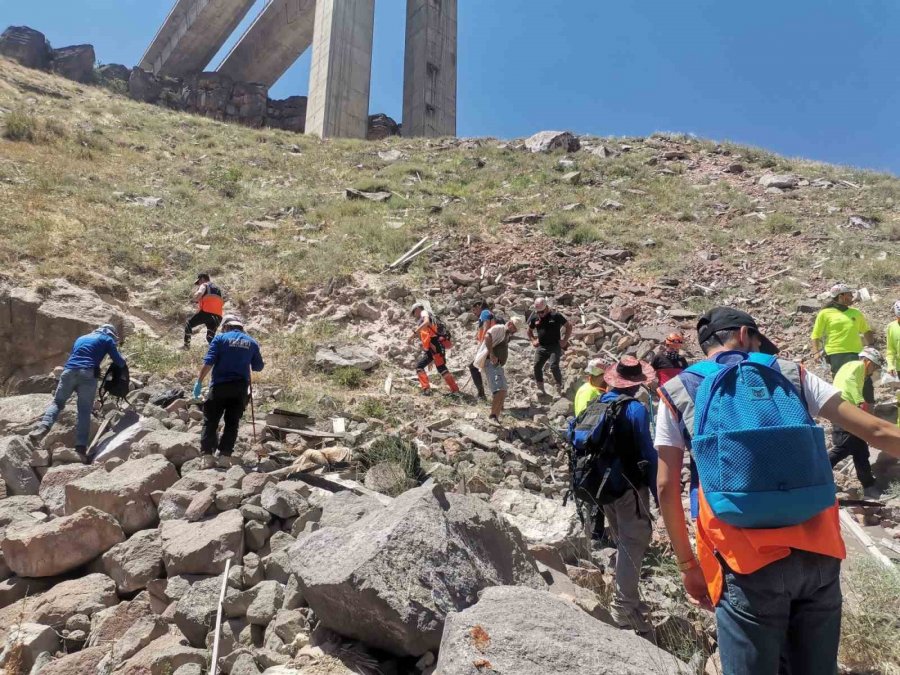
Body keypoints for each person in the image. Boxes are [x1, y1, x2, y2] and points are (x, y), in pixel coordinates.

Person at [655, 306, 900, 674]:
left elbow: (665, 486)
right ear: (742, 335)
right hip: (819, 552)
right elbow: (877, 432)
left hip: (744, 562)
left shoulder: (678, 390)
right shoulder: (791, 373)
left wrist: (688, 565)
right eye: (756, 341)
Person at [598, 356, 659, 634]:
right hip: (628, 485)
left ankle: (628, 602)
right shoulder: (635, 409)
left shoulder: (597, 403)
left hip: (602, 486)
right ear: (635, 384)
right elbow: (647, 451)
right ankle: (623, 609)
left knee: (622, 538)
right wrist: (657, 489)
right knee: (633, 541)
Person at [29, 324, 126, 459]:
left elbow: (79, 355)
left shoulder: (81, 338)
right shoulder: (107, 339)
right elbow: (119, 362)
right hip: (87, 374)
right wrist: (122, 359)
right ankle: (80, 447)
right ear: (111, 333)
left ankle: (44, 426)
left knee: (57, 403)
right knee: (84, 410)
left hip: (68, 372)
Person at [194, 315, 264, 457]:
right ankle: (225, 456)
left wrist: (199, 382)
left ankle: (207, 456)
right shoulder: (252, 342)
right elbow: (258, 367)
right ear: (241, 327)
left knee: (211, 421)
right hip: (240, 389)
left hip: (219, 386)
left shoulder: (220, 339)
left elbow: (209, 362)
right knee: (232, 422)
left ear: (226, 326)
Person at [830, 347, 886, 497]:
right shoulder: (859, 366)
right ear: (868, 362)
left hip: (840, 406)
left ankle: (869, 486)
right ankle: (816, 475)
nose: (873, 371)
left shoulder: (849, 366)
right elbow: (850, 383)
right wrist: (860, 402)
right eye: (874, 366)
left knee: (860, 450)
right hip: (845, 409)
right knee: (843, 447)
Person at [811, 282, 874, 403]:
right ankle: (844, 409)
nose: (852, 297)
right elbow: (816, 335)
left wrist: (871, 346)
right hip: (836, 353)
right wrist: (816, 352)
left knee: (864, 379)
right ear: (841, 296)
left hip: (857, 352)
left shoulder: (856, 313)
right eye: (850, 294)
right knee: (842, 380)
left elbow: (866, 330)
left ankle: (867, 407)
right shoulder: (825, 313)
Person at [410, 303, 459, 396]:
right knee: (424, 366)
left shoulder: (424, 313)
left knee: (439, 368)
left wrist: (414, 333)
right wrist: (431, 358)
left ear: (417, 309)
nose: (414, 315)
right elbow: (428, 336)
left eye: (413, 312)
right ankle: (428, 389)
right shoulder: (426, 318)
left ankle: (453, 390)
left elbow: (427, 322)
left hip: (435, 345)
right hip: (434, 347)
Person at [474, 319, 517, 424]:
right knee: (499, 390)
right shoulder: (499, 328)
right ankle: (493, 417)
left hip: (497, 365)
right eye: (515, 329)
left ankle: (496, 417)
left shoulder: (506, 334)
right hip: (491, 363)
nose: (515, 331)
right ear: (510, 324)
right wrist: (492, 354)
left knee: (503, 390)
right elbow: (487, 336)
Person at [527, 298, 571, 394]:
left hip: (554, 346)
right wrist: (533, 340)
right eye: (538, 312)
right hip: (542, 347)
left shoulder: (556, 316)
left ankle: (559, 387)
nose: (540, 314)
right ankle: (540, 388)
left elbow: (568, 326)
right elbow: (529, 331)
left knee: (554, 366)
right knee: (537, 366)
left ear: (546, 307)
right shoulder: (535, 318)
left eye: (542, 312)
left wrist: (564, 340)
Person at [184, 272, 224, 348]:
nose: (198, 284)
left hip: (207, 313)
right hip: (218, 316)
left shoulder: (204, 285)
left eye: (198, 282)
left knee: (189, 324)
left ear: (202, 279)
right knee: (210, 337)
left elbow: (200, 293)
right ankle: (217, 351)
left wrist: (194, 298)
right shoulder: (218, 289)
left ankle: (186, 346)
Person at [468, 308, 494, 399]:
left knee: (473, 367)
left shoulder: (484, 312)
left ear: (479, 306)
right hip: (490, 345)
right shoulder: (488, 313)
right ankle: (484, 394)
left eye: (474, 310)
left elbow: (487, 327)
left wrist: (482, 344)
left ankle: (482, 395)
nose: (473, 313)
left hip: (487, 345)